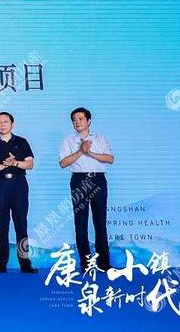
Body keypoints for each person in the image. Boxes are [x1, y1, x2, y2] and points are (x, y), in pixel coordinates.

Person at [59, 107, 115, 272]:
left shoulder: (99, 138)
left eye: (80, 119)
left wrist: (90, 153)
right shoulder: (69, 140)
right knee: (80, 223)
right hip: (79, 180)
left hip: (98, 180)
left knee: (100, 222)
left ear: (88, 121)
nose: (77, 122)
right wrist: (80, 151)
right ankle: (86, 264)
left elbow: (110, 158)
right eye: (74, 120)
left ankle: (104, 263)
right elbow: (63, 163)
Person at [0, 112, 37, 274]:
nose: (2, 125)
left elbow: (29, 164)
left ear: (12, 124)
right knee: (2, 224)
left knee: (21, 224)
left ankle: (25, 263)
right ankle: (1, 263)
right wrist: (5, 165)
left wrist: (15, 163)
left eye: (6, 122)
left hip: (19, 184)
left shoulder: (21, 142)